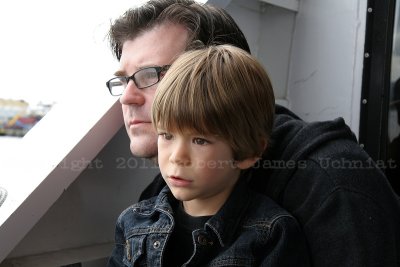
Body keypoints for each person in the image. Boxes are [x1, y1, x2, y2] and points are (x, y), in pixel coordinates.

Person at [106, 0, 400, 266]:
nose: (126, 97)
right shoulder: (159, 199)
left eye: (150, 75)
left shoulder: (332, 182)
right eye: (123, 80)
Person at [108, 45, 310, 267]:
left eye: (200, 140)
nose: (177, 157)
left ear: (249, 152)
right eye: (167, 135)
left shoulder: (271, 237)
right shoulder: (133, 223)